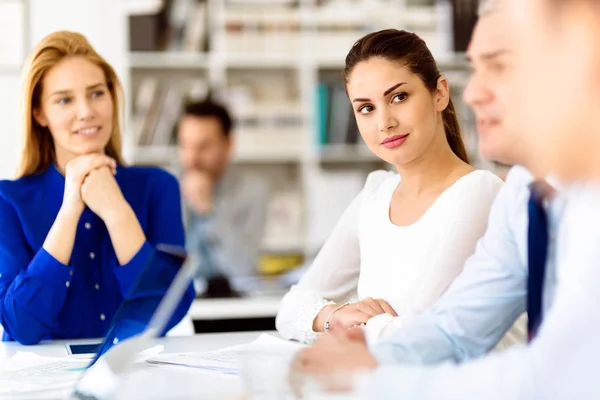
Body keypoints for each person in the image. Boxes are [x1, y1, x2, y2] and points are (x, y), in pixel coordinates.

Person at [292, 1, 600, 398]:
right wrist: (366, 358)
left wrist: (372, 374)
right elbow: (456, 327)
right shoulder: (524, 191)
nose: (471, 94)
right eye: (475, 69)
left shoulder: (491, 192)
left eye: (501, 66)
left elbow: (564, 373)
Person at [276, 29, 504, 345]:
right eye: (366, 108)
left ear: (439, 93)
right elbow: (290, 309)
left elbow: (420, 334)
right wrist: (335, 316)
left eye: (399, 97)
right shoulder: (376, 194)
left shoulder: (478, 193)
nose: (384, 122)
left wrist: (350, 326)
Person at [0, 31, 195, 345]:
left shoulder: (158, 187)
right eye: (64, 99)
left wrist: (117, 211)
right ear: (39, 113)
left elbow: (166, 313)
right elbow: (21, 324)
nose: (86, 111)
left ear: (112, 97)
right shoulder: (8, 200)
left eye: (96, 93)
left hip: (135, 379)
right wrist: (69, 211)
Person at [177, 100, 270, 287]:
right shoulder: (166, 187)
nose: (191, 158)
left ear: (228, 144)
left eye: (203, 147)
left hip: (234, 306)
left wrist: (208, 211)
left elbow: (243, 270)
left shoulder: (253, 190)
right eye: (185, 145)